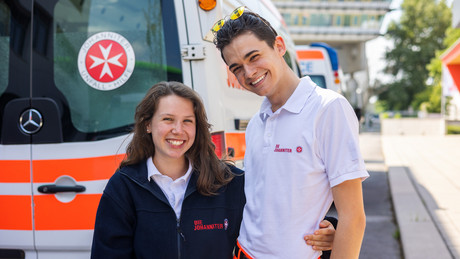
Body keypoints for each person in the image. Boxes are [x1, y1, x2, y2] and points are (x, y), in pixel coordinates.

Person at [91, 81, 336, 259]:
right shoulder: (124, 187)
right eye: (167, 120)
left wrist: (327, 229)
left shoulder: (228, 183)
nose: (178, 130)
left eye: (188, 121)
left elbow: (280, 216)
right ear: (147, 125)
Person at [213, 6, 369, 259]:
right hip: (243, 253)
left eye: (254, 57)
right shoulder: (255, 124)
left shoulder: (328, 109)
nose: (249, 73)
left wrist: (336, 233)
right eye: (237, 68)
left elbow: (354, 218)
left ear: (279, 46)